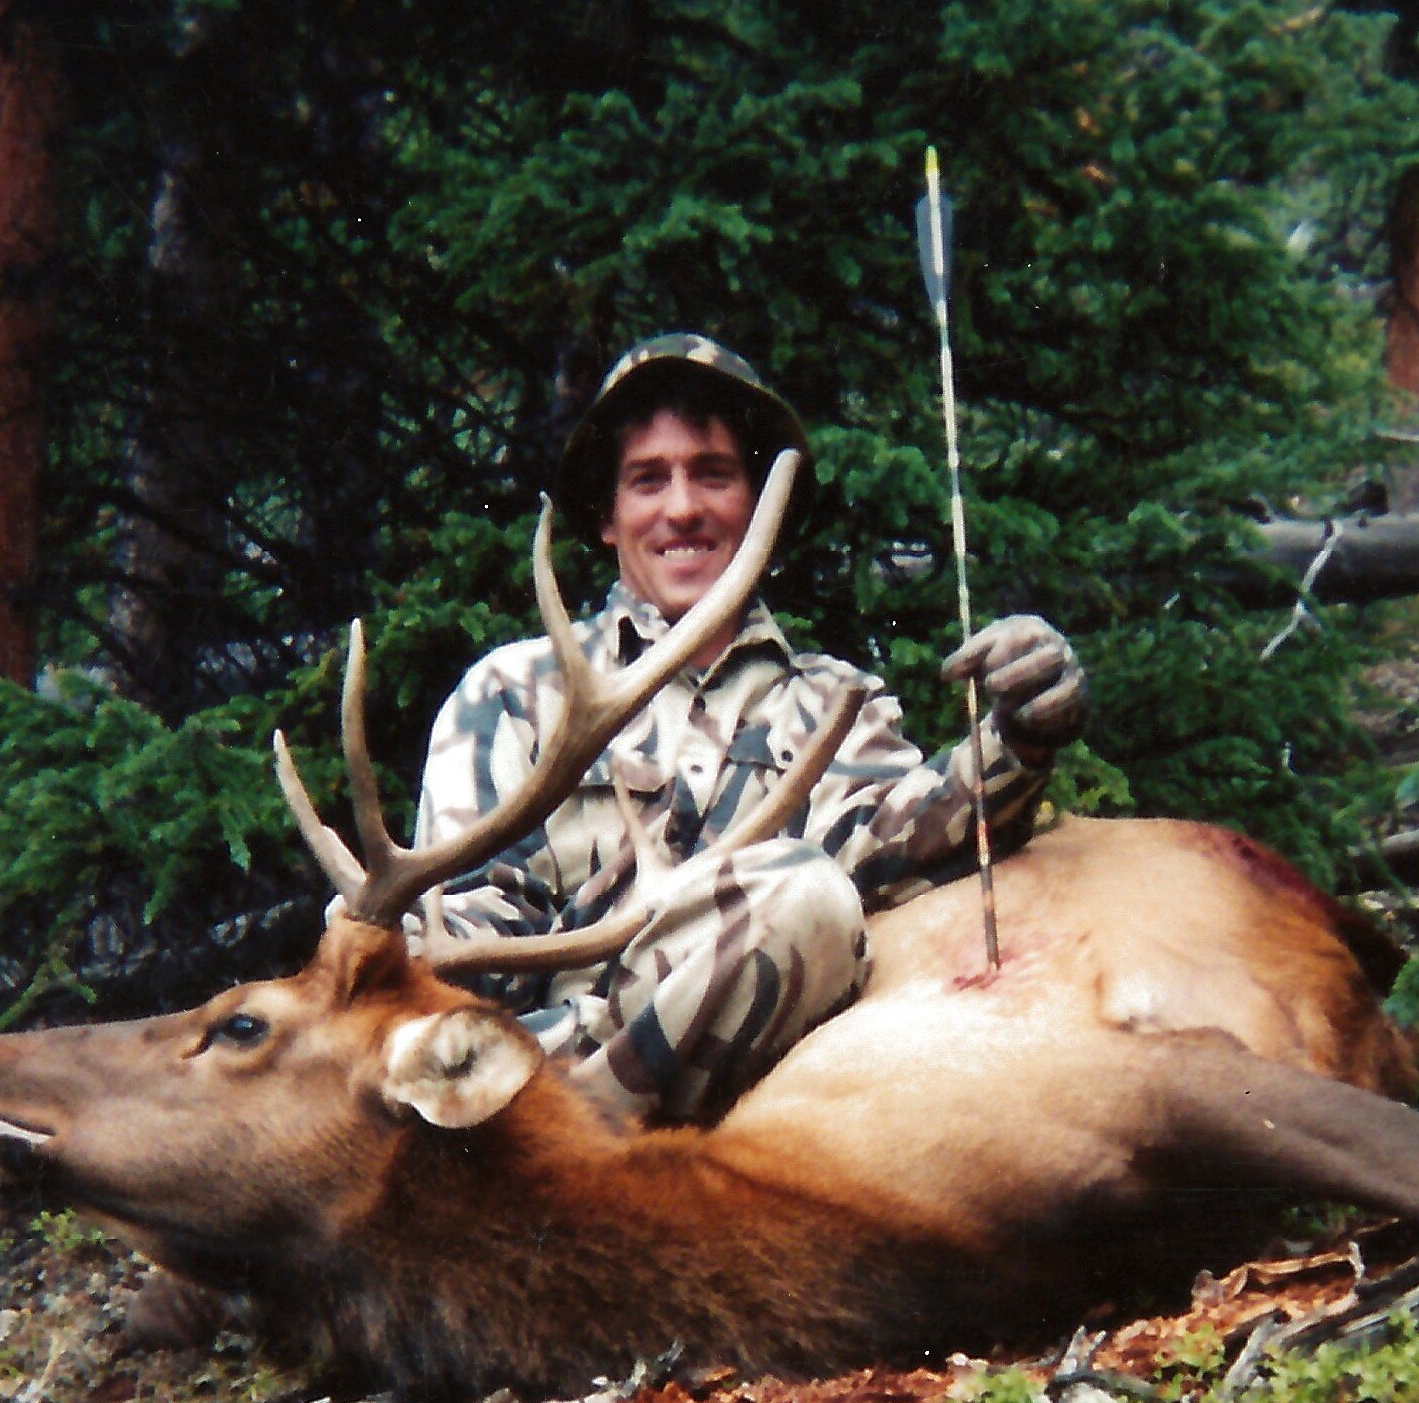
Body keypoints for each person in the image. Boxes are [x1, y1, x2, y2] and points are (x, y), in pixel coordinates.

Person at [411, 333, 1089, 1123]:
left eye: (713, 474)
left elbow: (919, 836)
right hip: (520, 1061)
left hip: (735, 1106)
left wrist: (1022, 731)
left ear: (760, 504)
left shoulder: (838, 705)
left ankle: (583, 1131)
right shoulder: (513, 691)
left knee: (807, 898)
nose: (682, 507)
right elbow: (464, 936)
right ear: (606, 516)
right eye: (646, 481)